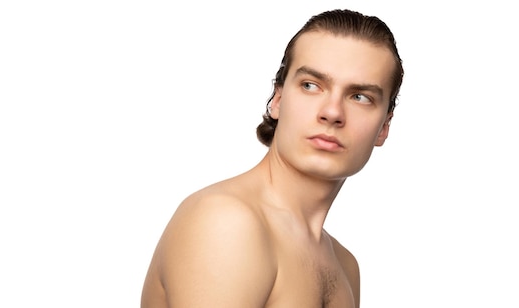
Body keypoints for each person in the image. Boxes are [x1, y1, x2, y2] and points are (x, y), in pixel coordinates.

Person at [141, 8, 404, 307]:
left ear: (384, 127)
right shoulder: (227, 221)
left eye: (359, 97)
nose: (332, 112)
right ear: (277, 100)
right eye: (311, 85)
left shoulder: (345, 266)